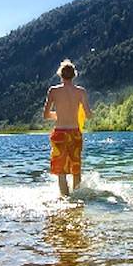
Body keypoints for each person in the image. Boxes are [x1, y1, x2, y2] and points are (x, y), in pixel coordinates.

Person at [44, 59, 92, 196]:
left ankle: (65, 199)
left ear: (60, 75)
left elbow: (46, 115)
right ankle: (77, 198)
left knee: (61, 171)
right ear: (74, 75)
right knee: (76, 169)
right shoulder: (81, 92)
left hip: (59, 133)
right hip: (75, 133)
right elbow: (88, 115)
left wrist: (58, 115)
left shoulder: (53, 91)